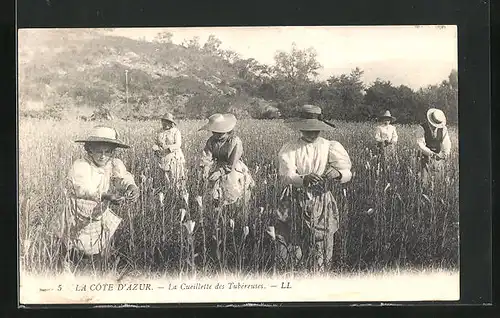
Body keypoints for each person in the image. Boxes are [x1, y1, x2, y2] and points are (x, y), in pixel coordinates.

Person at [277, 105, 352, 271]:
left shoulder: (329, 146)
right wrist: (303, 179)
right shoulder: (291, 147)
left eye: (315, 130)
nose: (311, 133)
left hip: (321, 197)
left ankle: (319, 272)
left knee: (322, 238)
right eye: (307, 130)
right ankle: (293, 272)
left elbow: (347, 171)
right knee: (293, 236)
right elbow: (286, 175)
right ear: (300, 128)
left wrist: (337, 173)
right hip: (295, 196)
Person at [55, 126, 140, 268]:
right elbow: (82, 188)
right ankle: (64, 267)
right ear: (89, 150)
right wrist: (105, 195)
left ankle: (95, 269)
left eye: (107, 152)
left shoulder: (113, 164)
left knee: (97, 244)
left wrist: (131, 186)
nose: (103, 156)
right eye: (99, 151)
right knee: (69, 242)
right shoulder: (81, 165)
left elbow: (122, 178)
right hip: (77, 211)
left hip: (97, 211)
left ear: (112, 153)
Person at [198, 113, 255, 212]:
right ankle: (218, 213)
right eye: (214, 132)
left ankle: (236, 214)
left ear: (227, 131)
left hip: (232, 169)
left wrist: (220, 172)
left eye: (220, 133)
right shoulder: (211, 141)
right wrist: (205, 168)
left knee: (234, 193)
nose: (216, 135)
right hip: (217, 166)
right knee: (215, 194)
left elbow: (232, 163)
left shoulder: (235, 141)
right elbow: (207, 155)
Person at [152, 113, 188, 199]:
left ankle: (180, 197)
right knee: (166, 179)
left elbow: (178, 144)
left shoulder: (176, 131)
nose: (165, 123)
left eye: (168, 122)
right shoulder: (159, 132)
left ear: (171, 123)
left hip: (175, 157)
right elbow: (155, 143)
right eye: (164, 121)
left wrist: (168, 148)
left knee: (177, 178)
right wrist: (156, 149)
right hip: (163, 158)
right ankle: (169, 196)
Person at [416, 108, 452, 188]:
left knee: (437, 181)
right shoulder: (422, 128)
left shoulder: (443, 129)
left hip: (438, 158)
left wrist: (445, 153)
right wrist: (431, 154)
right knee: (423, 181)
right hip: (424, 157)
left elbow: (446, 143)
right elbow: (420, 144)